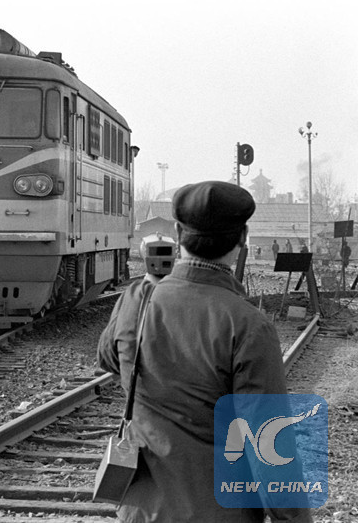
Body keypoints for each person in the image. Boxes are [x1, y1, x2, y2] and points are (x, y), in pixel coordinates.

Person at [97, 181, 312, 523]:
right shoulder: (248, 325)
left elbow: (108, 359)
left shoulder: (137, 300)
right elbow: (270, 445)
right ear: (242, 239)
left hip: (142, 511)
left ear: (179, 233)